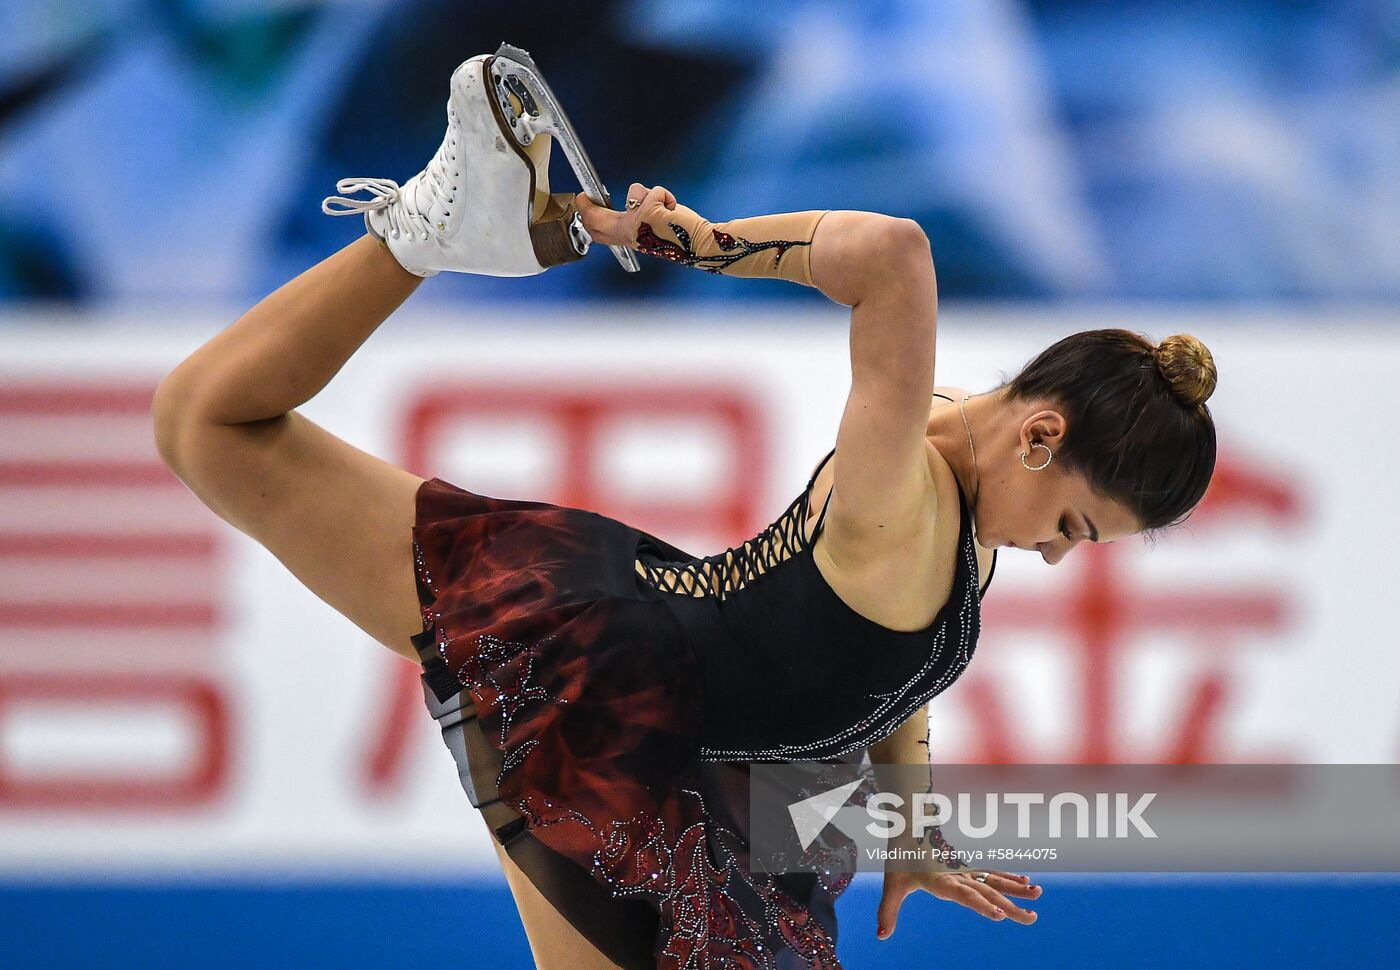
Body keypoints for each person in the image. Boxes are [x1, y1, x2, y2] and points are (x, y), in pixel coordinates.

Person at [151, 47, 1217, 969]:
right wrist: (691, 244)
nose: (1056, 557)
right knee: (206, 422)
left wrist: (910, 824)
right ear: (1040, 437)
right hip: (616, 707)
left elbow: (900, 664)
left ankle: (434, 233)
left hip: (686, 733)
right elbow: (894, 257)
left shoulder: (962, 479)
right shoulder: (899, 492)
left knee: (203, 422)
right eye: (1074, 527)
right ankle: (428, 232)